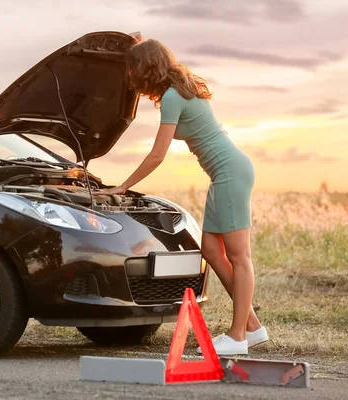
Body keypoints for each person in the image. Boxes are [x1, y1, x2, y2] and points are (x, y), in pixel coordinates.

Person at [95, 33, 268, 355]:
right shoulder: (185, 87)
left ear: (147, 69)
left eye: (133, 69)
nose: (130, 76)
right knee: (213, 253)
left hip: (230, 173)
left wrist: (123, 186)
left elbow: (157, 155)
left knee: (239, 256)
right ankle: (253, 327)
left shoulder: (174, 97)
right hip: (227, 173)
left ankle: (238, 336)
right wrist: (138, 45)